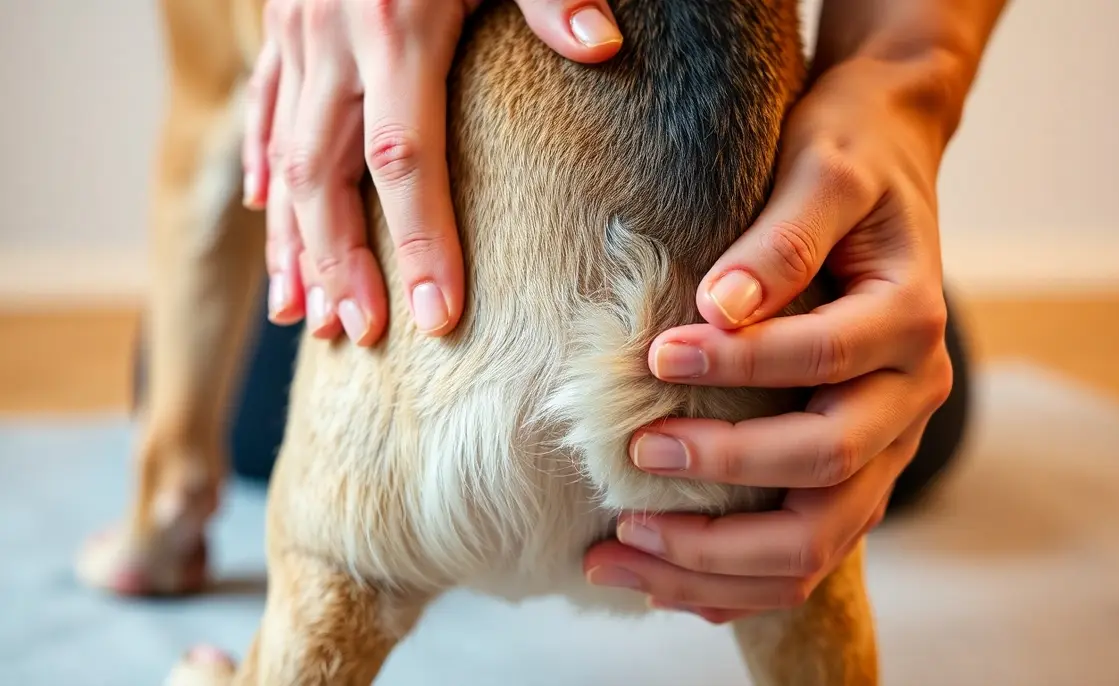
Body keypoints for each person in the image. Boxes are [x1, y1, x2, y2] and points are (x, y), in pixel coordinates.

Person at [190, 0, 1004, 624]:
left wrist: (902, 82)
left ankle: (178, 519)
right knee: (914, 424)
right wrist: (907, 67)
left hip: (449, 355)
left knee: (241, 409)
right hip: (739, 343)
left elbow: (200, 147)